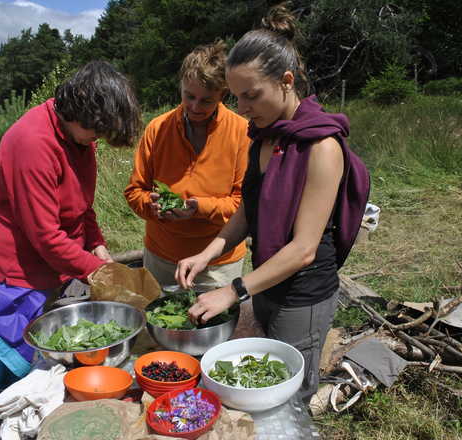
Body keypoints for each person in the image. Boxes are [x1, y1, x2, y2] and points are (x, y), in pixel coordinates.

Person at [175, 5, 370, 403]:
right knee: (262, 382)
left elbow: (303, 250)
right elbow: (248, 211)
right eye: (236, 97)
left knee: (289, 392)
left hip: (302, 294)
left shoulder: (322, 147)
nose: (242, 108)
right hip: (265, 280)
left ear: (285, 81)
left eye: (251, 96)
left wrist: (233, 291)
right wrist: (207, 252)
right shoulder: (263, 137)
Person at [0, 61, 142, 392]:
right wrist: (97, 272)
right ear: (77, 107)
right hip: (17, 272)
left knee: (41, 354)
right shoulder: (31, 143)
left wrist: (97, 246)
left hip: (55, 264)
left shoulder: (80, 135)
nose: (98, 140)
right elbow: (45, 237)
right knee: (13, 362)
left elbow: (82, 207)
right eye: (96, 131)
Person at [124, 40, 251, 287]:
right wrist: (153, 207)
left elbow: (243, 204)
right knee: (159, 321)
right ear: (181, 85)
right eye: (189, 96)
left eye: (206, 101)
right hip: (162, 256)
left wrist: (198, 208)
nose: (194, 106)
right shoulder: (158, 129)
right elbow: (134, 191)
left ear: (223, 94)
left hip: (218, 262)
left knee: (212, 324)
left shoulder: (241, 132)